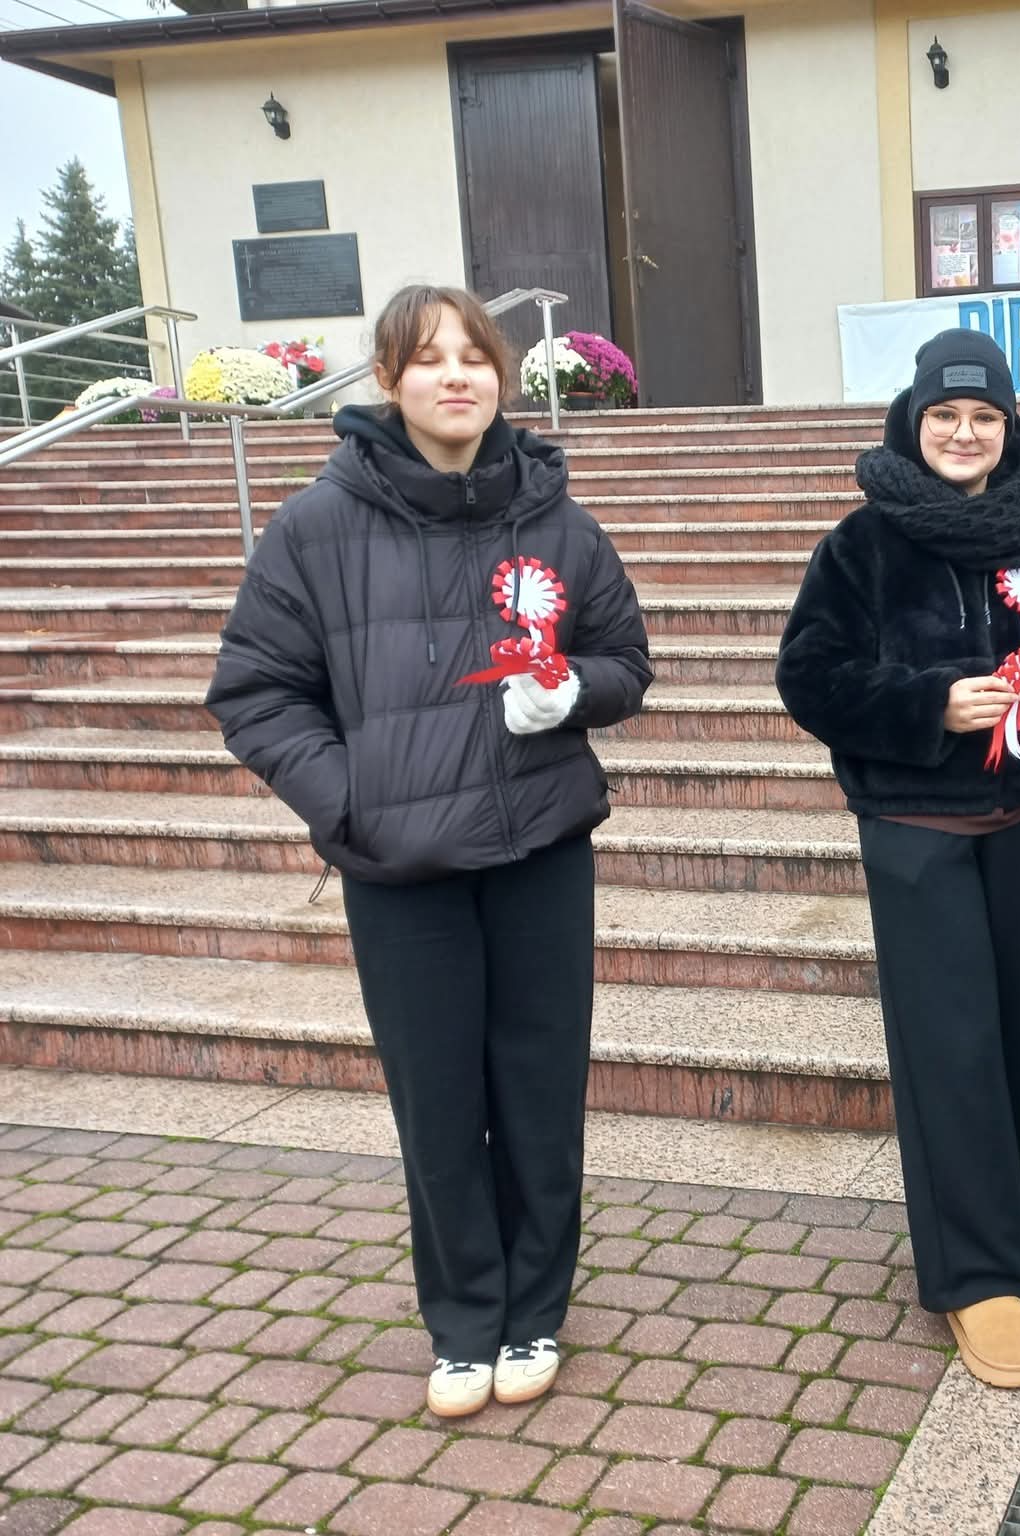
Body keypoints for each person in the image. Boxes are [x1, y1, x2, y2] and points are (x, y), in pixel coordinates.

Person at [206, 285, 652, 1418]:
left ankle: (535, 1308)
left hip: (540, 849)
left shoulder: (558, 521)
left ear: (501, 376)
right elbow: (255, 692)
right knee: (438, 1103)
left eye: (474, 356)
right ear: (387, 381)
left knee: (539, 1093)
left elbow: (626, 658)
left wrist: (574, 692)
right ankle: (463, 1321)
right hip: (400, 869)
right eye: (428, 358)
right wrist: (349, 801)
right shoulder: (316, 528)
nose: (456, 375)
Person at [775, 329, 1020, 1389]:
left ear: (1008, 427)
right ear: (913, 422)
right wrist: (930, 704)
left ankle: (1002, 1233)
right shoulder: (861, 544)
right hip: (915, 828)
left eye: (983, 417)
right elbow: (810, 678)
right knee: (948, 1045)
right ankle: (973, 1276)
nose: (964, 433)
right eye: (944, 416)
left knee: (1017, 1035)